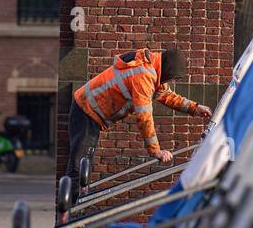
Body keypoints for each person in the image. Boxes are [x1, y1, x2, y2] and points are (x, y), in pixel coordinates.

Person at [67, 47, 210, 182]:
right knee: (79, 164)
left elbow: (167, 96)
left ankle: (78, 195)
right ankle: (72, 200)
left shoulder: (153, 69)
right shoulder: (144, 76)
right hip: (86, 109)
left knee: (84, 163)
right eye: (173, 78)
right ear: (168, 70)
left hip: (90, 111)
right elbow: (144, 116)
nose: (171, 81)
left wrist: (195, 108)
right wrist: (156, 151)